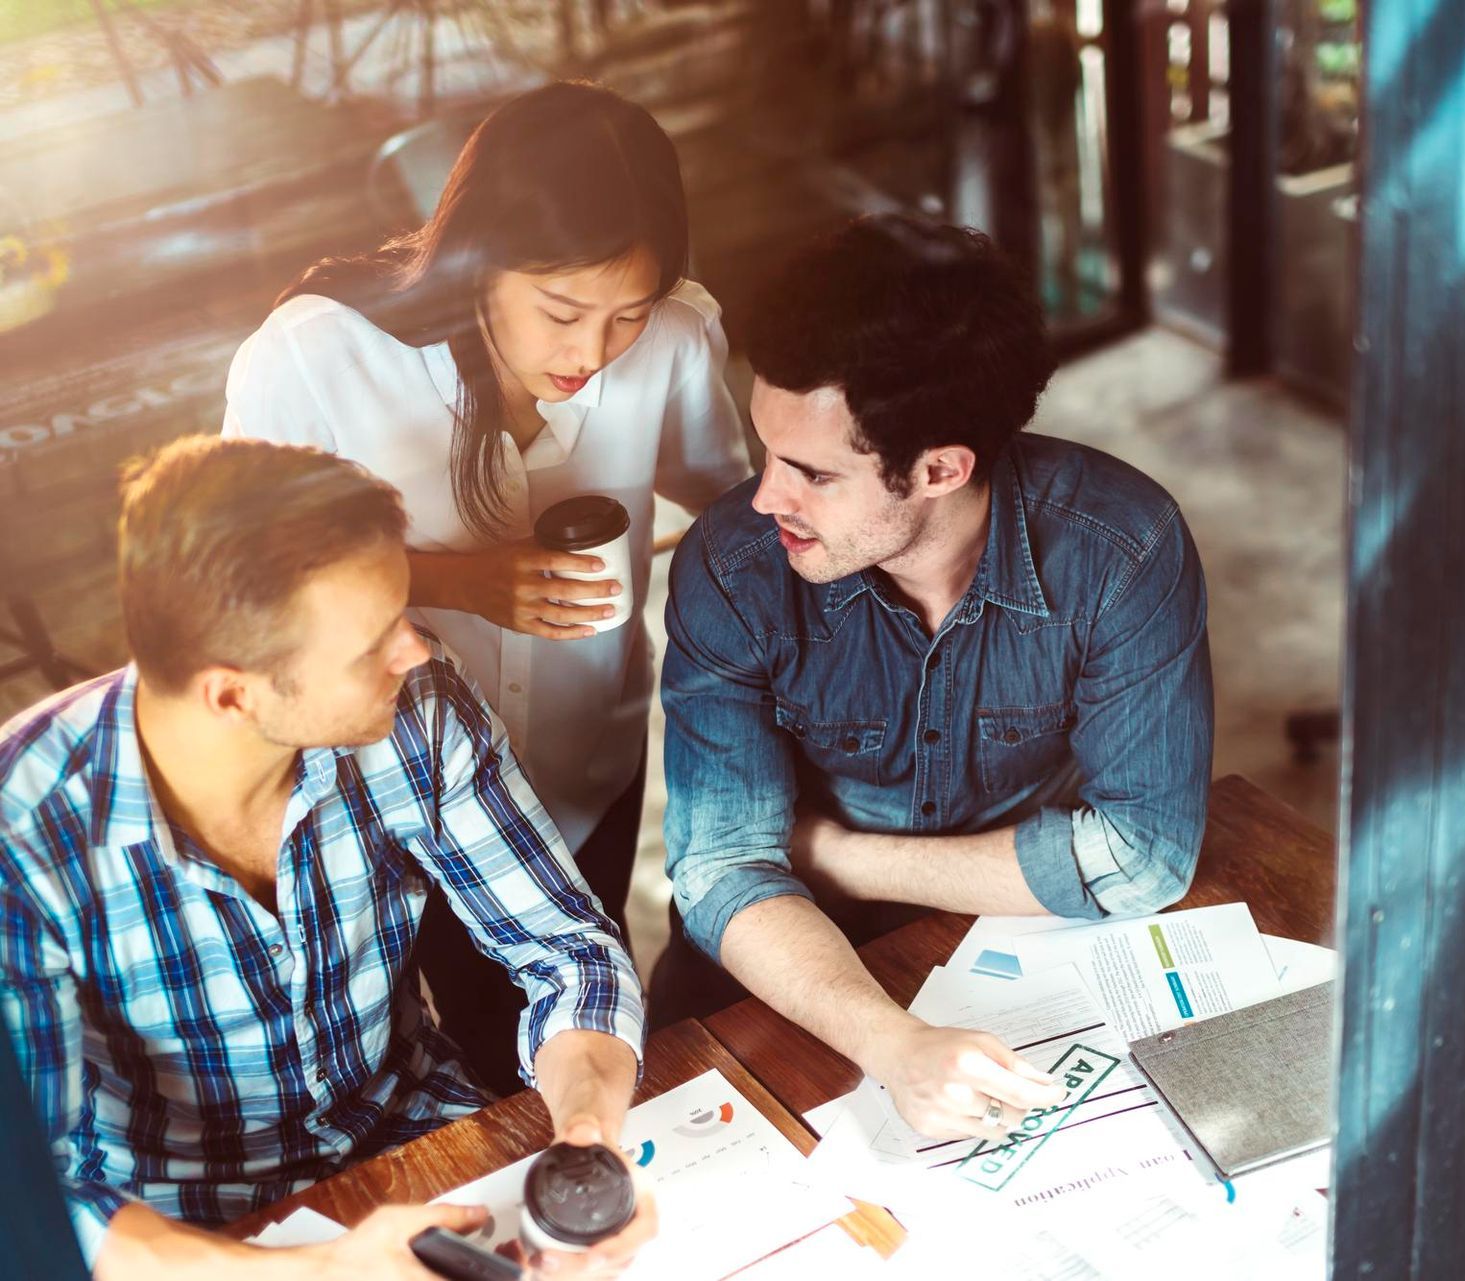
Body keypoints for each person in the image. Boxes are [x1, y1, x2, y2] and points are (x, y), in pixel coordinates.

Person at [0, 437, 652, 1279]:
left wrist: (586, 1134)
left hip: (423, 1138)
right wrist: (322, 1270)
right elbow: (36, 1198)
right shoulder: (21, 837)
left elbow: (568, 948)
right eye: (373, 642)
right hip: (184, 1237)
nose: (415, 650)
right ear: (232, 693)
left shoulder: (418, 703)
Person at [222, 81, 749, 1092]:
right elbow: (244, 576)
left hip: (587, 760)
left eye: (624, 316)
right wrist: (456, 580)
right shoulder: (317, 357)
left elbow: (729, 504)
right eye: (561, 311)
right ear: (478, 255)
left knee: (578, 1017)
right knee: (425, 1056)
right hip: (388, 792)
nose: (589, 356)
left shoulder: (678, 337)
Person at [656, 217, 1214, 1142]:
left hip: (1018, 945)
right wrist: (892, 1040)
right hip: (779, 963)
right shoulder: (733, 566)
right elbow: (721, 870)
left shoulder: (1122, 550)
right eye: (766, 450)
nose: (763, 498)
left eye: (810, 471)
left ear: (939, 469)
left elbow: (1144, 855)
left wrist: (826, 850)